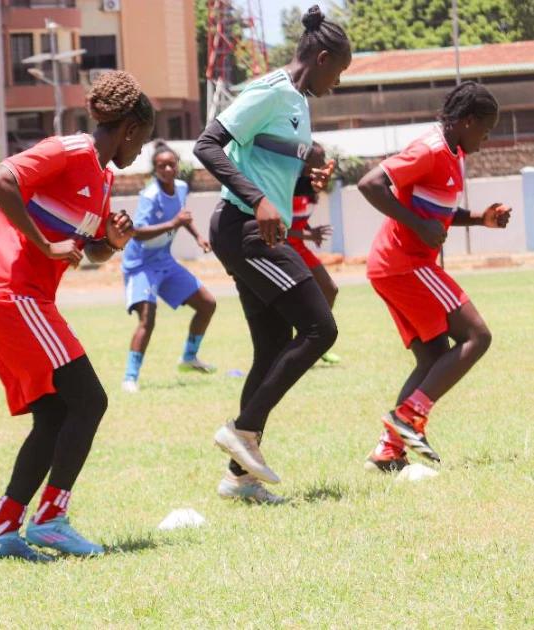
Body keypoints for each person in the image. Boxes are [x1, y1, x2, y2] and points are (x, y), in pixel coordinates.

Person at [0, 70, 152, 561]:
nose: (139, 153)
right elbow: (0, 180)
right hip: (13, 295)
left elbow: (89, 251)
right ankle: (50, 519)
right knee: (90, 401)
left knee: (55, 415)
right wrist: (43, 242)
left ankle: (2, 530)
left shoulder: (104, 177)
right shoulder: (71, 150)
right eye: (142, 141)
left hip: (25, 301)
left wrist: (110, 242)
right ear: (131, 128)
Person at [193, 5, 349, 504]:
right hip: (243, 226)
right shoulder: (269, 91)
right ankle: (244, 430)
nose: (338, 83)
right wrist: (259, 199)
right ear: (321, 57)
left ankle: (238, 478)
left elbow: (264, 159)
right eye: (338, 72)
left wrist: (307, 178)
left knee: (273, 343)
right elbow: (209, 144)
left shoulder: (300, 103)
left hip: (261, 228)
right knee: (320, 328)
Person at [359, 82, 509, 472]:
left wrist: (481, 218)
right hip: (405, 263)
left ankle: (388, 451)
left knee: (434, 358)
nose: (486, 139)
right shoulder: (429, 148)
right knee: (478, 335)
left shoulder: (453, 153)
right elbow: (370, 184)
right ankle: (408, 419)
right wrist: (418, 226)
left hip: (397, 266)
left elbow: (436, 211)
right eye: (485, 130)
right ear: (467, 121)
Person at [121, 140, 217, 393]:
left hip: (164, 260)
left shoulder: (182, 188)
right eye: (161, 166)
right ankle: (130, 378)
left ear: (177, 166)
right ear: (155, 169)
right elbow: (137, 232)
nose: (166, 169)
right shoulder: (150, 196)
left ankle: (189, 357)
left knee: (207, 303)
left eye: (170, 164)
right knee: (147, 319)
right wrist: (175, 223)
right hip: (141, 264)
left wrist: (197, 235)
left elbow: (181, 216)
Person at [285, 141, 341, 365]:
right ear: (304, 162)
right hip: (283, 247)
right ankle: (296, 348)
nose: (323, 161)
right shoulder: (287, 187)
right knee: (292, 302)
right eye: (318, 158)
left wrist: (309, 232)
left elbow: (298, 222)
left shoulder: (310, 191)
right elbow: (277, 226)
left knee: (330, 289)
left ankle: (317, 343)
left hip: (299, 246)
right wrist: (307, 235)